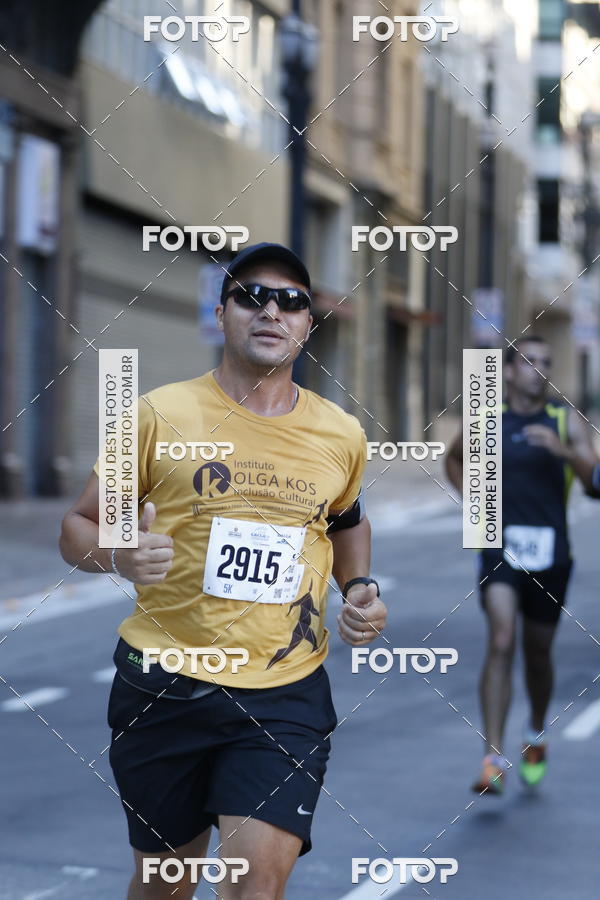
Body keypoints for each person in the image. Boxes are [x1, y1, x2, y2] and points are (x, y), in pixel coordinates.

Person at [59, 242, 387, 899]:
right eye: (252, 296)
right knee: (166, 885)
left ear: (307, 325)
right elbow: (77, 529)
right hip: (163, 684)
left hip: (284, 691)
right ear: (222, 312)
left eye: (292, 301)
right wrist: (119, 555)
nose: (272, 310)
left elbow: (347, 522)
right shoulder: (158, 414)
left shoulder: (340, 432)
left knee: (253, 887)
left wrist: (357, 587)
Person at [446, 336, 599, 795]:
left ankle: (534, 732)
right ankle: (491, 758)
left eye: (547, 362)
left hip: (552, 554)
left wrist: (564, 450)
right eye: (531, 361)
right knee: (501, 638)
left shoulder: (564, 419)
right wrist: (473, 501)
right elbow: (453, 458)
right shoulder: (486, 417)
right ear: (509, 371)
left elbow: (595, 481)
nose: (540, 369)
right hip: (499, 548)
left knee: (537, 653)